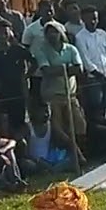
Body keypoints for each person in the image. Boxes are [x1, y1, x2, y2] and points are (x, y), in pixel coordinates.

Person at [35, 22, 87, 164]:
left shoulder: (71, 49)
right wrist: (66, 68)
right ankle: (76, 155)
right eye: (49, 33)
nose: (52, 35)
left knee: (80, 125)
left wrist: (59, 69)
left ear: (61, 33)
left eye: (55, 32)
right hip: (52, 95)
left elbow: (79, 69)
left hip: (70, 94)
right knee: (58, 129)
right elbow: (46, 70)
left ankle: (78, 153)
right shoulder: (42, 50)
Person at [74, 6, 106, 126]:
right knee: (97, 109)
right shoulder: (80, 37)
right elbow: (86, 62)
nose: (93, 21)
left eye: (95, 18)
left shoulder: (103, 34)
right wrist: (101, 77)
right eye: (89, 19)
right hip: (94, 79)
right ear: (83, 19)